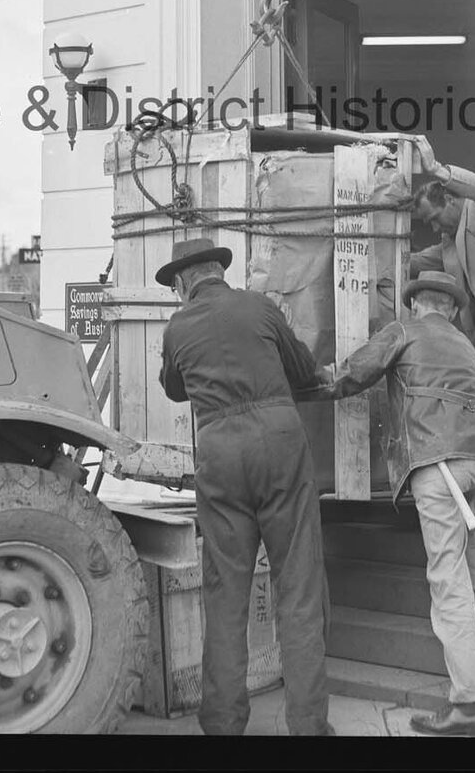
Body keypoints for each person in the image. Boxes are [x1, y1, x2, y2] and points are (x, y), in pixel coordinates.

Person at [304, 269, 475, 737]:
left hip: (440, 458)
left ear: (415, 304)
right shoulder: (464, 344)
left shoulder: (403, 331)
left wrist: (300, 384)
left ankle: (471, 703)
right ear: (451, 309)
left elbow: (350, 375)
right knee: (473, 524)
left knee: (445, 574)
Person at [156, 236, 334, 737]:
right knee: (298, 587)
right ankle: (308, 728)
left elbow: (173, 389)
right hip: (279, 443)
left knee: (225, 592)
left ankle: (222, 724)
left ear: (183, 282)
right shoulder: (260, 306)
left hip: (219, 451)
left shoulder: (178, 327)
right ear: (219, 271)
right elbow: (303, 370)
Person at [410, 137, 475, 418]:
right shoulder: (448, 242)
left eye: (434, 218)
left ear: (448, 199)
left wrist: (438, 170)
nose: (434, 228)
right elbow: (416, 261)